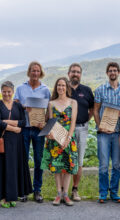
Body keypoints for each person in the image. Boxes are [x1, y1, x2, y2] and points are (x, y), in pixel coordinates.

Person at [93, 62, 120, 203]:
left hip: (117, 134)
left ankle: (114, 192)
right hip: (103, 133)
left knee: (116, 165)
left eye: (115, 70)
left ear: (119, 72)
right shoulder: (100, 90)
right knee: (103, 165)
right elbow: (96, 110)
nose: (112, 72)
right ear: (107, 73)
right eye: (110, 70)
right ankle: (103, 193)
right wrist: (99, 126)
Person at [14, 61, 51, 203]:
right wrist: (23, 107)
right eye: (33, 70)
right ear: (29, 72)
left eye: (37, 71)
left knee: (38, 160)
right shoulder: (20, 88)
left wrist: (45, 123)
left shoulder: (45, 89)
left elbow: (49, 111)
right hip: (24, 128)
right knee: (23, 160)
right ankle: (23, 191)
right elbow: (15, 105)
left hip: (38, 130)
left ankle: (37, 190)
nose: (35, 73)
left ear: (40, 72)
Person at [0, 81, 33, 208]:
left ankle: (13, 196)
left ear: (13, 92)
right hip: (4, 140)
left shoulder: (18, 106)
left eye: (9, 91)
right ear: (1, 91)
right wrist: (14, 128)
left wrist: (8, 121)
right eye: (4, 91)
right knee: (4, 167)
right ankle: (4, 197)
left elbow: (23, 122)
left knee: (14, 167)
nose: (6, 94)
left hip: (16, 142)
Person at [41, 77, 78, 206]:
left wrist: (68, 138)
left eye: (63, 85)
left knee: (68, 167)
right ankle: (58, 194)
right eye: (58, 85)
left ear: (67, 87)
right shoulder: (51, 103)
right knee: (56, 167)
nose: (60, 88)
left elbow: (73, 122)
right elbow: (51, 122)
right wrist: (50, 134)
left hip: (68, 138)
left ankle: (66, 195)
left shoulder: (73, 102)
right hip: (55, 139)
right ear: (56, 88)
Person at [67, 63, 94, 201]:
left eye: (78, 72)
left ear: (80, 74)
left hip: (81, 129)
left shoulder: (87, 90)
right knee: (66, 159)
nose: (75, 74)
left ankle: (75, 189)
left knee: (79, 161)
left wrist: (85, 120)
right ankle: (63, 191)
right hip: (65, 130)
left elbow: (92, 109)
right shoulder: (63, 89)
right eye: (73, 72)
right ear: (68, 74)